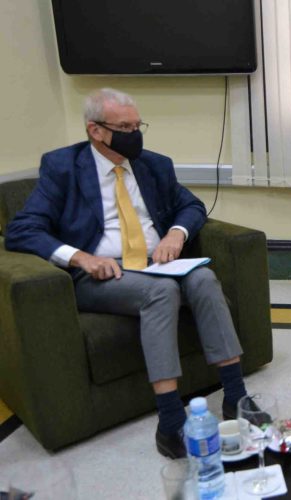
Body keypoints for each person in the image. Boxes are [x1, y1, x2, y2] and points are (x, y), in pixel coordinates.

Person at [4, 88, 254, 459]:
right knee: (161, 293)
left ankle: (236, 397)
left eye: (138, 126)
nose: (134, 134)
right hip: (101, 272)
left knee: (203, 278)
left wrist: (176, 233)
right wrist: (80, 258)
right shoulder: (62, 167)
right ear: (96, 130)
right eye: (124, 127)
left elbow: (191, 205)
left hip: (158, 262)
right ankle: (170, 420)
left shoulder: (153, 164)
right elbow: (22, 229)